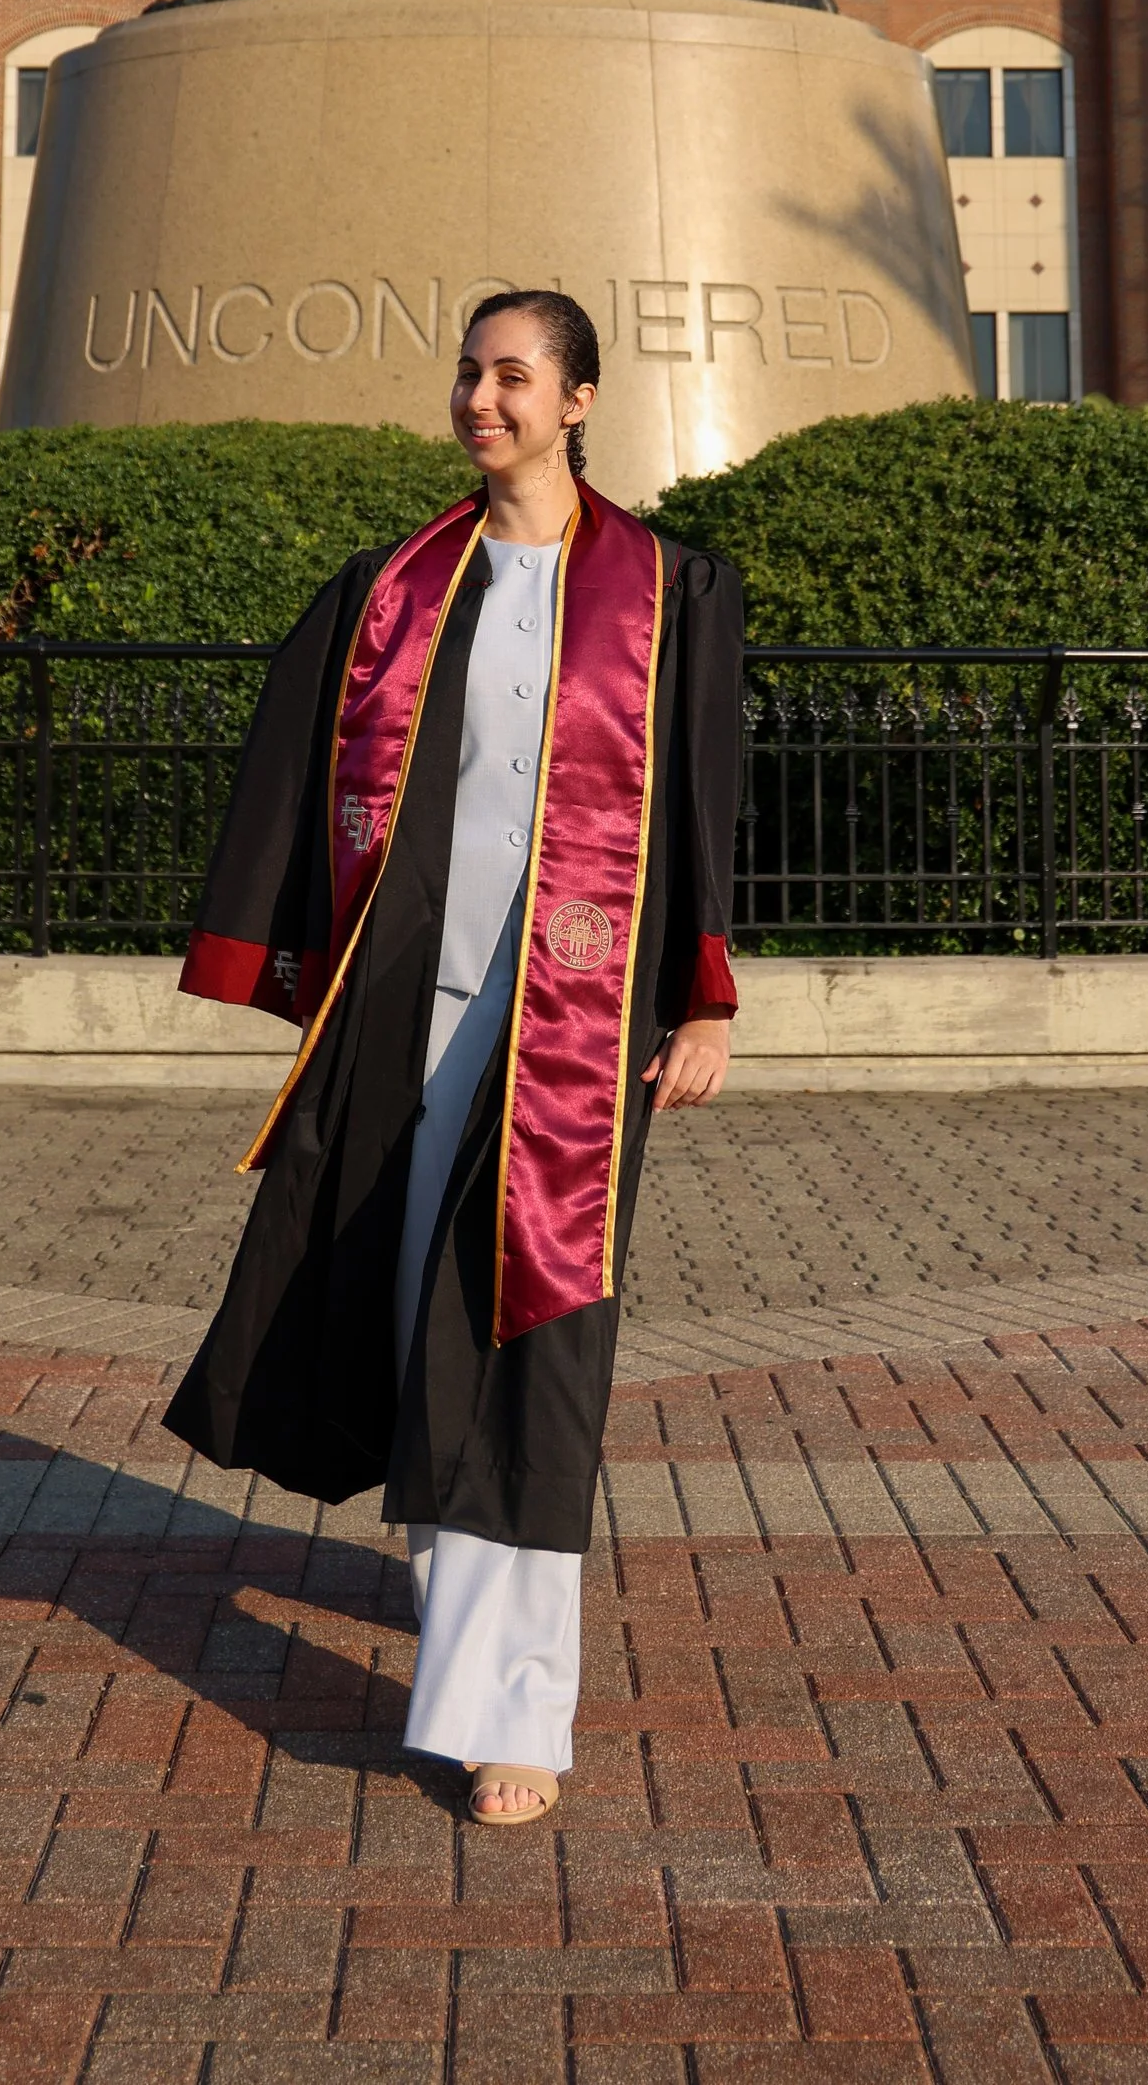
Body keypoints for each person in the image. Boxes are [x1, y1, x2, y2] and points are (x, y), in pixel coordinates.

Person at [166, 290, 741, 1827]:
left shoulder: (674, 590)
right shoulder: (397, 589)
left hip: (570, 1024)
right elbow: (308, 760)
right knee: (403, 1320)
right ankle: (468, 1633)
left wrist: (707, 999)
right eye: (468, 374)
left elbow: (698, 810)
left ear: (579, 401)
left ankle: (511, 1716)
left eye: (511, 377)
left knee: (528, 1342)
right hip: (407, 1010)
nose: (478, 400)